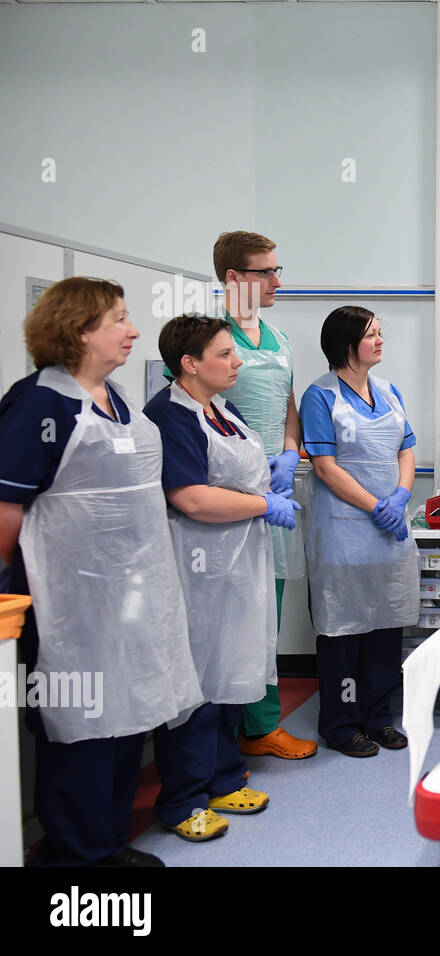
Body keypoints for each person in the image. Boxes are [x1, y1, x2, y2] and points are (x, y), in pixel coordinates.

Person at [0, 278, 201, 866]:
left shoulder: (114, 400)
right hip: (70, 604)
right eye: (119, 318)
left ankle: (107, 844)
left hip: (133, 600)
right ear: (79, 328)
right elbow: (7, 507)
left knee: (125, 719)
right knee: (82, 727)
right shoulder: (39, 403)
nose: (133, 330)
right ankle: (71, 859)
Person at [145, 315, 295, 842]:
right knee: (197, 684)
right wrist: (262, 502)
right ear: (190, 364)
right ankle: (183, 799)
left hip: (238, 563)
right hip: (198, 568)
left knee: (234, 668)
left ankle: (225, 777)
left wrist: (274, 470)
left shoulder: (222, 411)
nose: (237, 363)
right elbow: (189, 495)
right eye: (226, 354)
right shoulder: (170, 415)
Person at [211, 230, 317, 761]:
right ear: (234, 278)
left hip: (274, 484)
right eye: (266, 271)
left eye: (279, 270)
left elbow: (288, 401)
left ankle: (261, 725)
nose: (277, 281)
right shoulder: (209, 336)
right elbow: (195, 406)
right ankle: (226, 736)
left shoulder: (277, 337)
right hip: (227, 487)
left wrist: (291, 450)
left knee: (268, 611)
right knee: (234, 614)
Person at [301, 306, 418, 757]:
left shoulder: (389, 392)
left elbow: (407, 450)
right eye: (372, 334)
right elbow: (326, 468)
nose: (380, 341)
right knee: (345, 630)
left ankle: (379, 718)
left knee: (385, 625)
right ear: (347, 343)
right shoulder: (320, 396)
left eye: (380, 333)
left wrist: (401, 497)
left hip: (388, 528)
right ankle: (342, 723)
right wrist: (374, 505)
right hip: (344, 530)